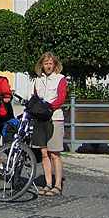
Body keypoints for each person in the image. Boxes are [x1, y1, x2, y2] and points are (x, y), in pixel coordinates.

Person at [32, 52, 68, 196]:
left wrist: (48, 108)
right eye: (46, 63)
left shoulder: (60, 79)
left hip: (55, 118)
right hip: (40, 119)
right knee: (44, 152)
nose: (48, 66)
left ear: (55, 65)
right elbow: (35, 97)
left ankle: (57, 184)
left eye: (51, 63)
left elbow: (61, 98)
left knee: (54, 153)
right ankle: (48, 183)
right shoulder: (37, 80)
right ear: (41, 65)